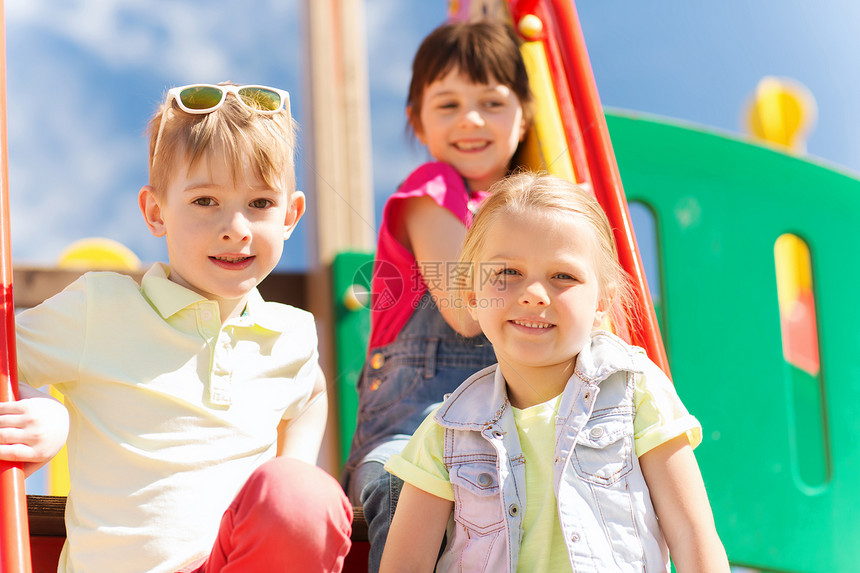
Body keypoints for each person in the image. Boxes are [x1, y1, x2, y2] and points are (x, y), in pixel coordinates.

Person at [0, 82, 352, 573]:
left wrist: (291, 464)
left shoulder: (289, 335)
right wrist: (43, 411)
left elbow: (312, 393)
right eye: (206, 200)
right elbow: (6, 356)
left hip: (227, 563)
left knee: (302, 495)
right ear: (156, 212)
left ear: (291, 214)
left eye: (260, 203)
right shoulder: (102, 309)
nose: (237, 227)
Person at [380, 172, 731, 572]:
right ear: (473, 297)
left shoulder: (634, 391)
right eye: (507, 273)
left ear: (602, 301)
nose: (533, 293)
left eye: (563, 276)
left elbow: (692, 533)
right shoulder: (449, 432)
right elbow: (406, 563)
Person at [340, 20, 533, 572]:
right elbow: (467, 312)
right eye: (447, 105)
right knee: (406, 489)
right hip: (412, 425)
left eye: (491, 103)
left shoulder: (529, 207)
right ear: (417, 121)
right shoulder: (432, 190)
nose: (470, 120)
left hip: (503, 431)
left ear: (524, 113)